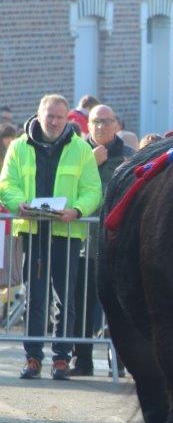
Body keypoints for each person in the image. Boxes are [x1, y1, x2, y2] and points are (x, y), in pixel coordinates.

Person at [0, 94, 102, 380]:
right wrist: (17, 204)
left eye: (60, 117)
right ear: (39, 114)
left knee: (64, 299)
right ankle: (32, 358)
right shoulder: (19, 147)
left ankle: (61, 358)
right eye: (50, 116)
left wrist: (78, 210)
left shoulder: (81, 149)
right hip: (33, 231)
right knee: (35, 297)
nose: (55, 122)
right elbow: (7, 183)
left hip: (65, 232)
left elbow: (92, 190)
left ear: (67, 118)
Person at [71, 104, 134, 376]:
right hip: (84, 243)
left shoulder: (130, 158)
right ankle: (81, 360)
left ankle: (119, 363)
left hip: (117, 246)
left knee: (118, 310)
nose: (101, 127)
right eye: (96, 121)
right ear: (88, 125)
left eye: (106, 121)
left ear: (117, 125)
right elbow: (66, 190)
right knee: (80, 305)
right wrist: (89, 164)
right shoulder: (76, 155)